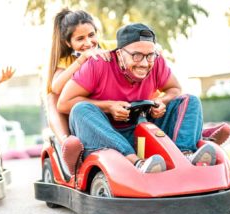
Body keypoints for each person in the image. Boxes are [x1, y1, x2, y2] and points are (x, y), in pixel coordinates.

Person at [58, 23, 219, 173]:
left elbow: (175, 89)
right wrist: (108, 106)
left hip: (141, 127)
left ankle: (185, 155)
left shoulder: (156, 62)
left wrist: (161, 101)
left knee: (190, 100)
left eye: (150, 55)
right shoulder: (97, 64)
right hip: (106, 135)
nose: (144, 63)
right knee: (81, 109)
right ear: (120, 54)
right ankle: (136, 163)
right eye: (136, 55)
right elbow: (64, 103)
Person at [45, 8, 113, 175]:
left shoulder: (109, 48)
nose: (88, 43)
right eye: (80, 39)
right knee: (51, 97)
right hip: (80, 114)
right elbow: (56, 87)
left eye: (91, 35)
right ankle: (67, 144)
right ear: (69, 43)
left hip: (108, 108)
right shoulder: (67, 60)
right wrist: (82, 59)